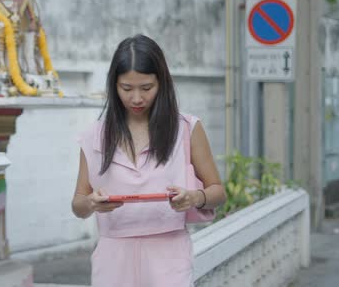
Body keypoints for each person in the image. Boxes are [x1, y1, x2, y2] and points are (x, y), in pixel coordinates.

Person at [72, 34, 226, 287]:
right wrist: (91, 203)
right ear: (114, 85)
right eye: (126, 88)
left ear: (161, 83)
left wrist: (194, 197)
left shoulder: (187, 128)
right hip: (113, 256)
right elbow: (78, 204)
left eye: (146, 88)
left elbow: (218, 192)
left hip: (169, 252)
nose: (136, 99)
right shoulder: (93, 136)